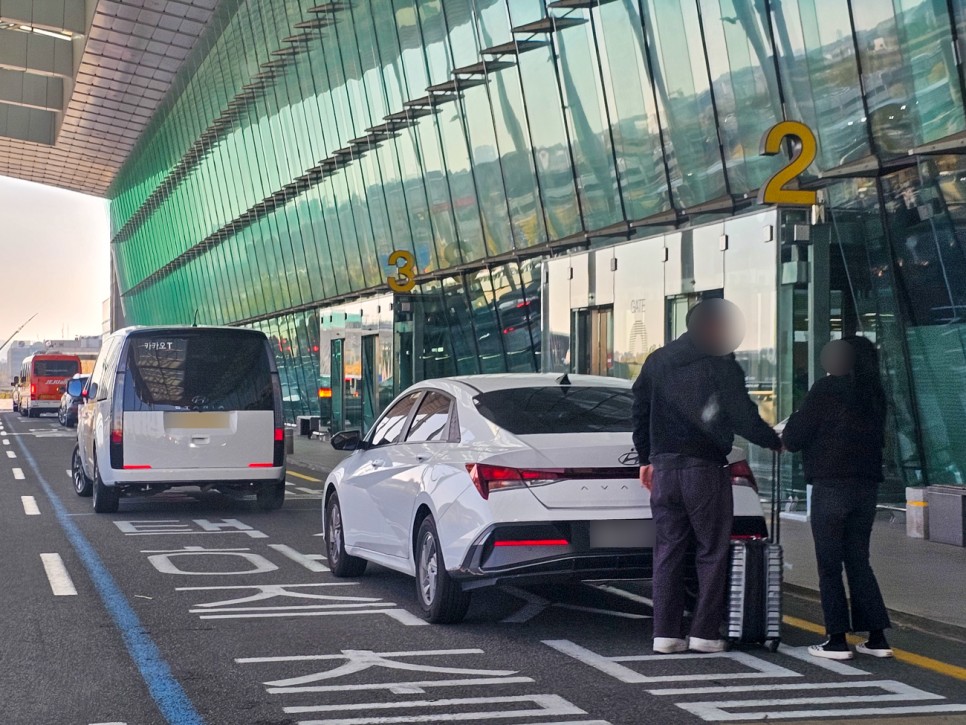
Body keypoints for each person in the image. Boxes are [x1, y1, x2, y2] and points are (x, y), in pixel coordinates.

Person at [633, 299, 782, 655]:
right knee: (711, 551)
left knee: (668, 550)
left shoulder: (658, 360)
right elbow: (741, 414)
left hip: (664, 469)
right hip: (704, 469)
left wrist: (644, 458)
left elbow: (639, 409)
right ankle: (703, 632)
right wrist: (773, 441)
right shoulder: (719, 362)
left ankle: (665, 634)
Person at [782, 336, 892, 661]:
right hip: (866, 488)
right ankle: (876, 638)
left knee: (829, 564)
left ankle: (836, 641)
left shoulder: (826, 389)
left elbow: (794, 437)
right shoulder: (875, 394)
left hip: (831, 486)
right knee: (859, 561)